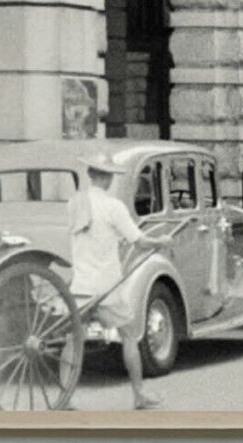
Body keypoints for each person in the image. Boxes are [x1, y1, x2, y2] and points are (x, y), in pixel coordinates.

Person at [66, 152, 171, 410]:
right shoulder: (114, 207)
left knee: (72, 340)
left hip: (80, 285)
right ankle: (138, 394)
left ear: (91, 175)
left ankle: (64, 396)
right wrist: (162, 241)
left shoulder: (75, 203)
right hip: (107, 287)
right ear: (108, 178)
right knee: (129, 336)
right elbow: (140, 241)